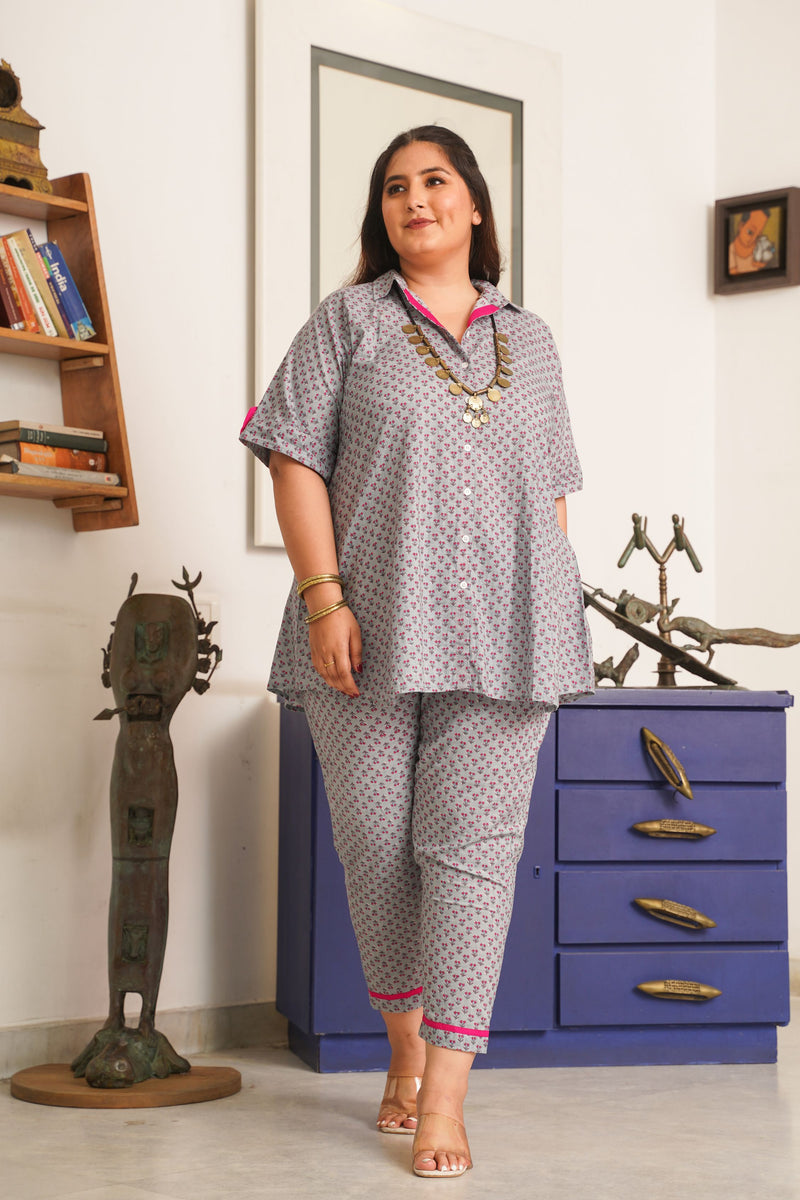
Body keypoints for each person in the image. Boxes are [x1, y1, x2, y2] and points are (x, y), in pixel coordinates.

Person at [240, 125, 593, 1179]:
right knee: (378, 851)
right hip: (364, 628)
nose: (414, 199)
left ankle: (444, 1093)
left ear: (474, 203)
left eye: (434, 181)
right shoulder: (346, 321)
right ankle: (401, 1046)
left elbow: (552, 492)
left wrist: (552, 617)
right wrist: (324, 600)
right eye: (394, 187)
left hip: (509, 639)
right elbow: (291, 458)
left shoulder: (531, 342)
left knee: (472, 856)